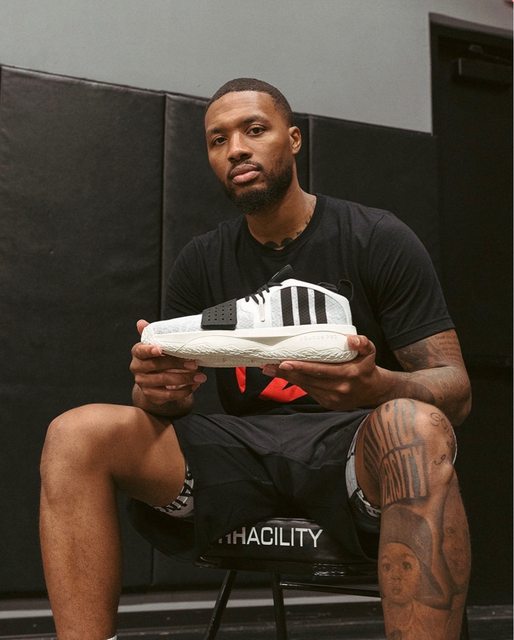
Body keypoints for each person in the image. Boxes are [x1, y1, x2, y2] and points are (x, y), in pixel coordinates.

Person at [40, 77, 472, 640]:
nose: (236, 149)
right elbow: (166, 404)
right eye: (218, 140)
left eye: (254, 130)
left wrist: (379, 387)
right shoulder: (202, 259)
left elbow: (455, 389)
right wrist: (155, 389)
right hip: (239, 453)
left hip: (352, 448)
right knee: (75, 434)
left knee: (416, 426)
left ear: (293, 139)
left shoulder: (376, 238)